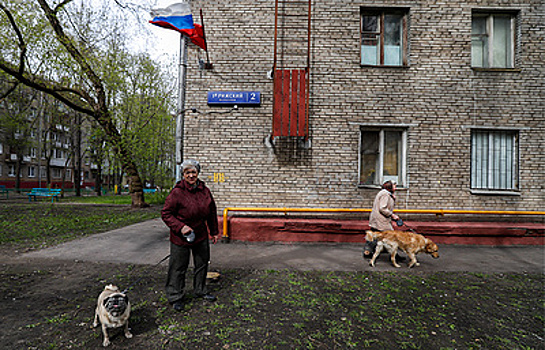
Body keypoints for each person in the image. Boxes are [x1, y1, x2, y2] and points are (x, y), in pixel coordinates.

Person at [161, 159, 220, 311]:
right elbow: (166, 213)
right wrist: (181, 227)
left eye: (193, 172)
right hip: (181, 236)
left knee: (202, 264)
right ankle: (175, 296)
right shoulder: (177, 192)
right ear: (183, 174)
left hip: (200, 234)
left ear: (198, 173)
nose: (191, 175)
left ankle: (200, 290)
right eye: (188, 172)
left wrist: (214, 231)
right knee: (178, 267)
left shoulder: (204, 190)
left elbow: (211, 212)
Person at [363, 180, 404, 259]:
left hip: (378, 219)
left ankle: (367, 251)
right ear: (389, 187)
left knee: (374, 234)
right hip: (381, 220)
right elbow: (382, 208)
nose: (395, 188)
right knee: (391, 236)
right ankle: (394, 256)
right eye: (394, 186)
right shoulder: (385, 194)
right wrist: (392, 215)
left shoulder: (385, 193)